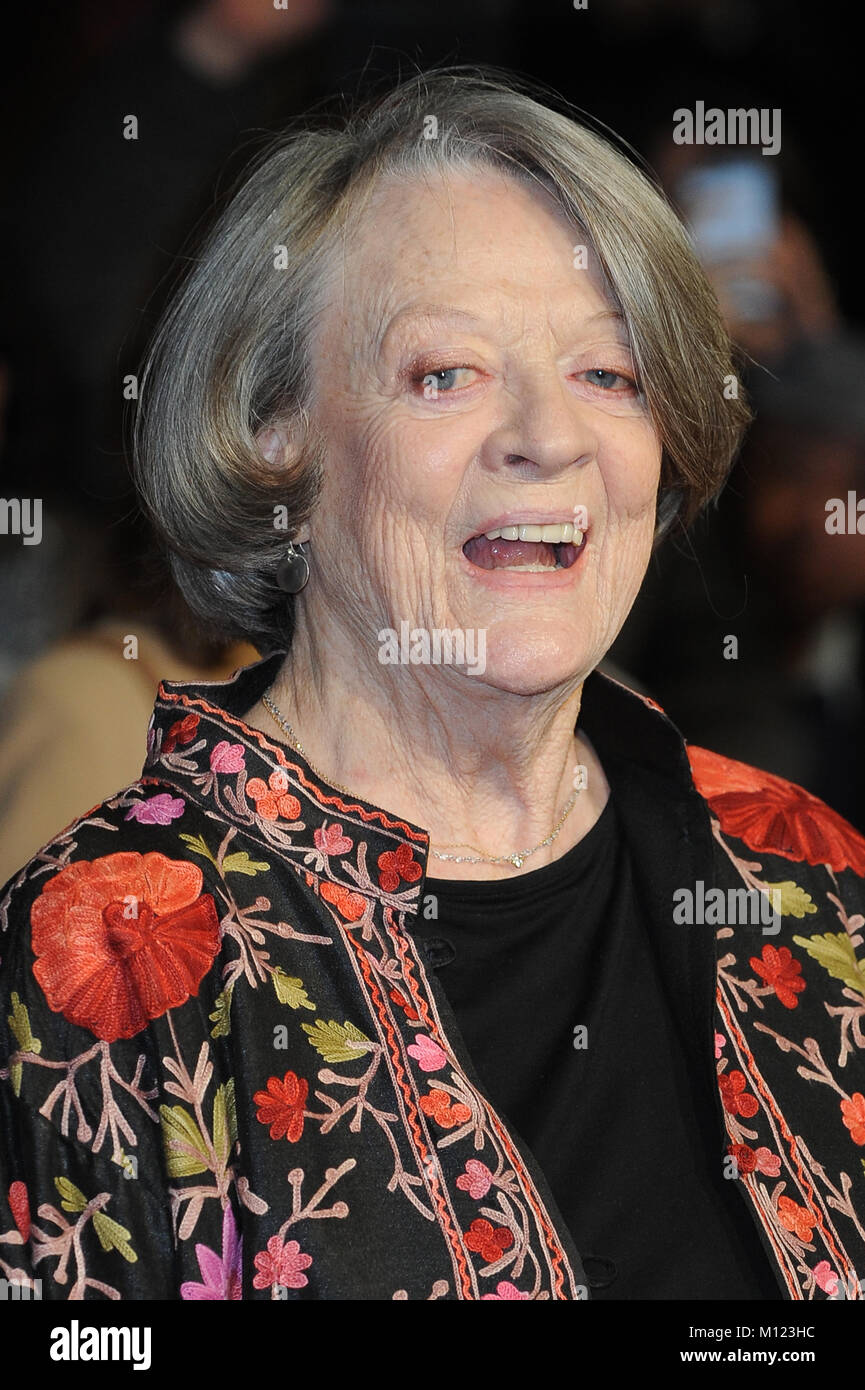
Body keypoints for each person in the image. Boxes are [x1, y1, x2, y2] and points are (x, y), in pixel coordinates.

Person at [1, 67, 863, 1302]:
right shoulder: (104, 957)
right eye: (444, 373)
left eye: (608, 374)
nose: (547, 437)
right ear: (272, 431)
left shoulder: (815, 877)